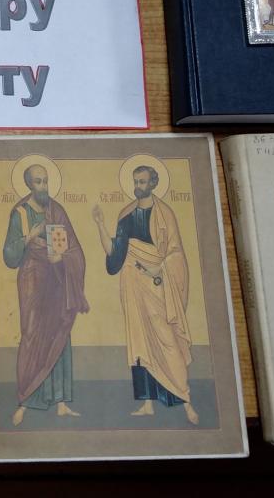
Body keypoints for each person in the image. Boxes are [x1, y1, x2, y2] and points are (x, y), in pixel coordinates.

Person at [91, 165, 199, 425]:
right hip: (133, 285)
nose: (137, 186)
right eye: (135, 181)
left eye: (142, 182)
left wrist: (158, 268)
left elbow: (175, 253)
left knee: (168, 339)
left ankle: (185, 399)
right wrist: (100, 224)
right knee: (139, 341)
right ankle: (148, 403)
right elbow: (115, 254)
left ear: (153, 183)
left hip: (158, 285)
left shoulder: (165, 214)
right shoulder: (126, 214)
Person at [3, 162, 89, 426]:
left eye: (45, 181)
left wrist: (62, 258)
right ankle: (25, 400)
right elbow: (9, 256)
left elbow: (74, 249)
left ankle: (61, 402)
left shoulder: (57, 210)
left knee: (59, 333)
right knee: (31, 333)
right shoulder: (20, 213)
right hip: (32, 277)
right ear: (29, 184)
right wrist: (30, 237)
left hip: (56, 279)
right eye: (37, 182)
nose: (43, 186)